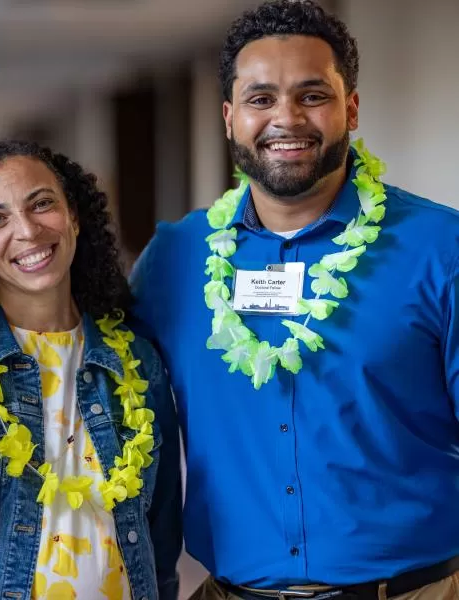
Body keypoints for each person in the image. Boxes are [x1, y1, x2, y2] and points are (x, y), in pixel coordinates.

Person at [130, 1, 459, 599]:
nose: (286, 118)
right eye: (260, 99)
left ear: (351, 108)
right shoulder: (173, 261)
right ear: (229, 118)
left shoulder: (441, 249)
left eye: (313, 95)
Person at [0, 140, 182, 600]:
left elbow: (162, 532)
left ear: (73, 215)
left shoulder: (138, 361)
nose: (28, 231)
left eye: (42, 205)